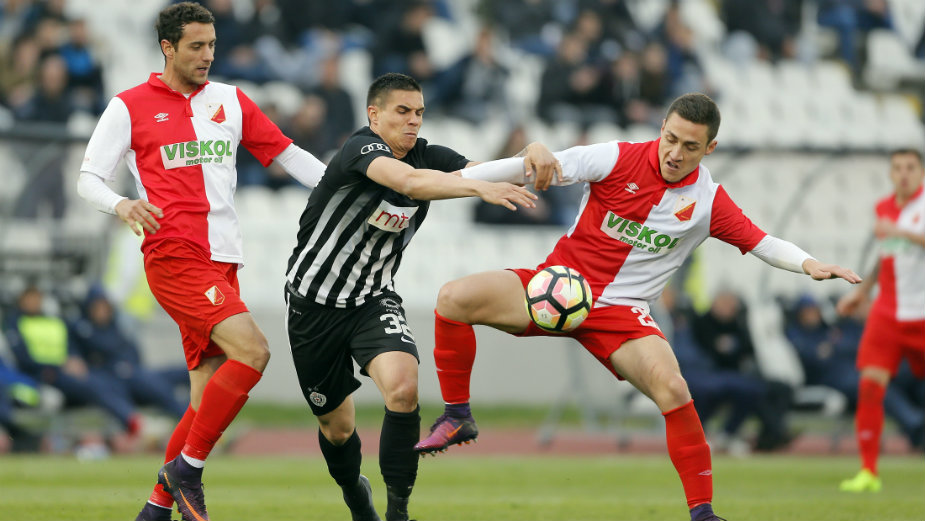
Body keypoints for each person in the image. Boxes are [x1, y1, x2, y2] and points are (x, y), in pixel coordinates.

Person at [415, 93, 861, 521]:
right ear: (662, 128)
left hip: (622, 312)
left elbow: (761, 241)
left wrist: (809, 264)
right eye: (671, 139)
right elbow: (535, 164)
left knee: (673, 388)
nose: (675, 153)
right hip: (560, 285)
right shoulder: (615, 157)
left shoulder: (707, 202)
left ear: (710, 148)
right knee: (453, 299)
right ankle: (458, 416)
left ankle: (703, 513)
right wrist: (458, 182)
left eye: (690, 146)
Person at [75, 3, 328, 521]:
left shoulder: (230, 101)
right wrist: (121, 204)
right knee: (254, 352)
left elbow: (286, 154)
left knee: (203, 397)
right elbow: (88, 178)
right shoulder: (129, 106)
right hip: (173, 254)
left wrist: (343, 187)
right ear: (167, 47)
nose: (207, 55)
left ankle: (155, 508)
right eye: (196, 46)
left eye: (211, 45)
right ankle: (186, 471)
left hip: (224, 260)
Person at [284, 72, 547, 521]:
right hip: (314, 305)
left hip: (372, 299)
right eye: (402, 112)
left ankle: (398, 513)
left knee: (403, 389)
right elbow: (409, 182)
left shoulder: (429, 155)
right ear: (374, 114)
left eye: (419, 113)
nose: (413, 122)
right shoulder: (359, 149)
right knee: (338, 429)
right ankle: (355, 494)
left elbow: (490, 168)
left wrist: (532, 153)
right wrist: (474, 187)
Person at [836, 148, 925, 493]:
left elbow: (898, 238)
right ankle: (868, 472)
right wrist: (863, 292)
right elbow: (886, 255)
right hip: (887, 311)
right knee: (870, 385)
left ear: (920, 172)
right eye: (897, 168)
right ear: (890, 174)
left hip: (922, 311)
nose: (903, 174)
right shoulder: (884, 209)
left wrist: (900, 232)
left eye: (910, 168)